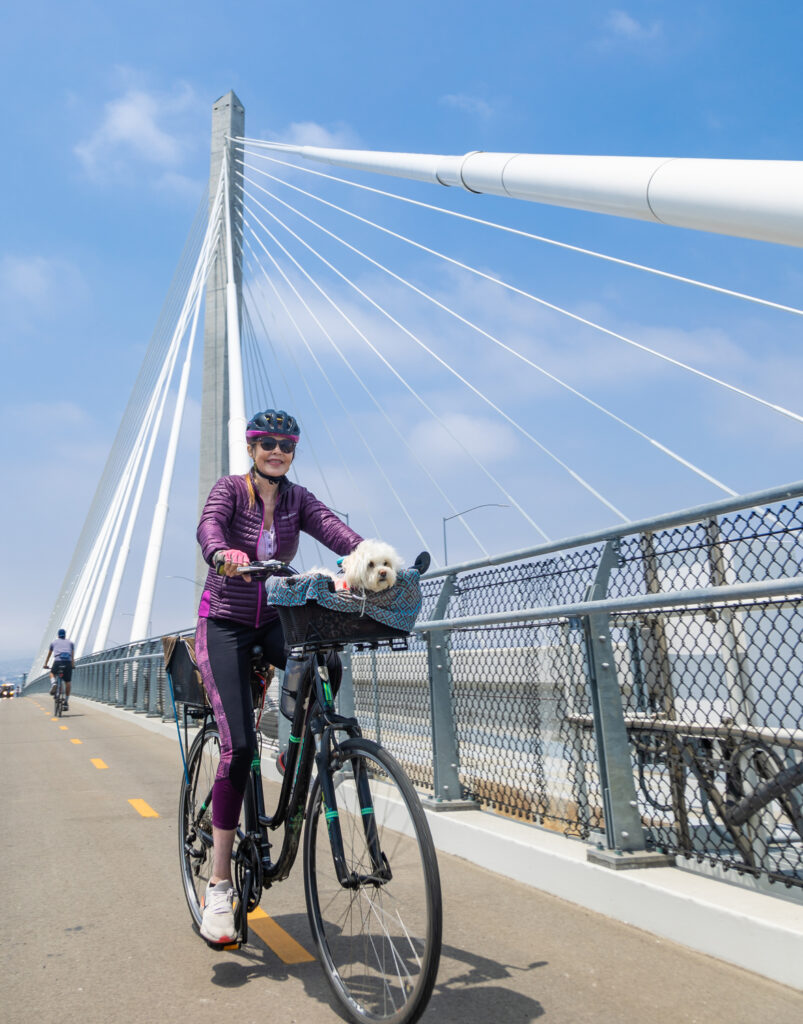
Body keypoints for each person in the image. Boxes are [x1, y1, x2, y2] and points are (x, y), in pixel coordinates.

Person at [194, 408, 363, 947]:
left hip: (271, 618)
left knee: (324, 655)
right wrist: (222, 554)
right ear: (251, 447)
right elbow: (209, 526)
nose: (277, 451)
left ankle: (295, 749)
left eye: (286, 445)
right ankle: (219, 885)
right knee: (238, 750)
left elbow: (338, 532)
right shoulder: (230, 490)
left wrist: (370, 559)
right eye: (266, 443)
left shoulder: (297, 499)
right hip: (223, 622)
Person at [43, 628, 75, 710]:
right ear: (65, 635)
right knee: (68, 682)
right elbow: (72, 656)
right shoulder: (70, 643)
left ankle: (54, 683)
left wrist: (46, 664)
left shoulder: (53, 643)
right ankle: (66, 702)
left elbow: (49, 655)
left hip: (57, 662)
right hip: (67, 663)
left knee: (52, 673)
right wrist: (72, 665)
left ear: (58, 635)